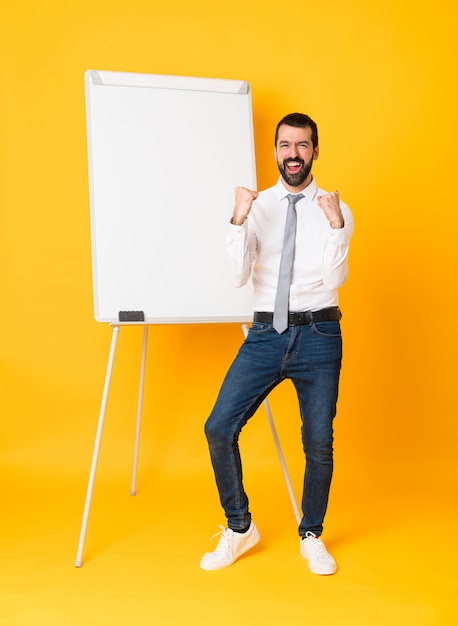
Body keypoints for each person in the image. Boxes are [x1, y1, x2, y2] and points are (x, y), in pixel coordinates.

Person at [200, 112, 354, 575]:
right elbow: (236, 277)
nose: (293, 154)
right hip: (266, 333)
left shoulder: (337, 208)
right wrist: (237, 220)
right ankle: (240, 527)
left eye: (302, 146)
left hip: (320, 334)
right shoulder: (257, 205)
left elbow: (336, 278)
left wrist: (335, 226)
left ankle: (311, 534)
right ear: (275, 151)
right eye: (285, 145)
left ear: (315, 151)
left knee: (318, 441)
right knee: (219, 427)